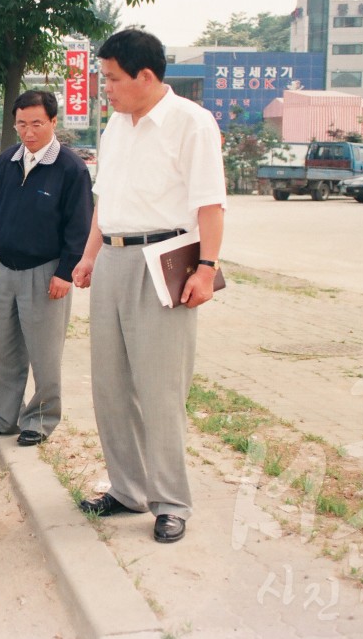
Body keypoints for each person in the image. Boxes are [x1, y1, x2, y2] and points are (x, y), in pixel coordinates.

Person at [71, 29, 227, 544]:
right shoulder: (114, 127)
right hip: (113, 258)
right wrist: (90, 255)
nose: (105, 88)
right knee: (110, 386)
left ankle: (171, 501)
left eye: (112, 78)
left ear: (146, 75)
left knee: (160, 388)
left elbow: (210, 204)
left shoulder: (191, 123)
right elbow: (104, 199)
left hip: (165, 260)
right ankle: (126, 489)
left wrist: (206, 269)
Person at [0, 91, 93, 446]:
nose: (28, 131)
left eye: (37, 123)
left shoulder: (71, 168)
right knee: (5, 351)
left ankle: (39, 421)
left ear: (53, 123)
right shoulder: (7, 160)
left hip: (46, 272)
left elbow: (79, 226)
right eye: (21, 124)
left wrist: (65, 272)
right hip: (6, 269)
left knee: (44, 353)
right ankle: (5, 417)